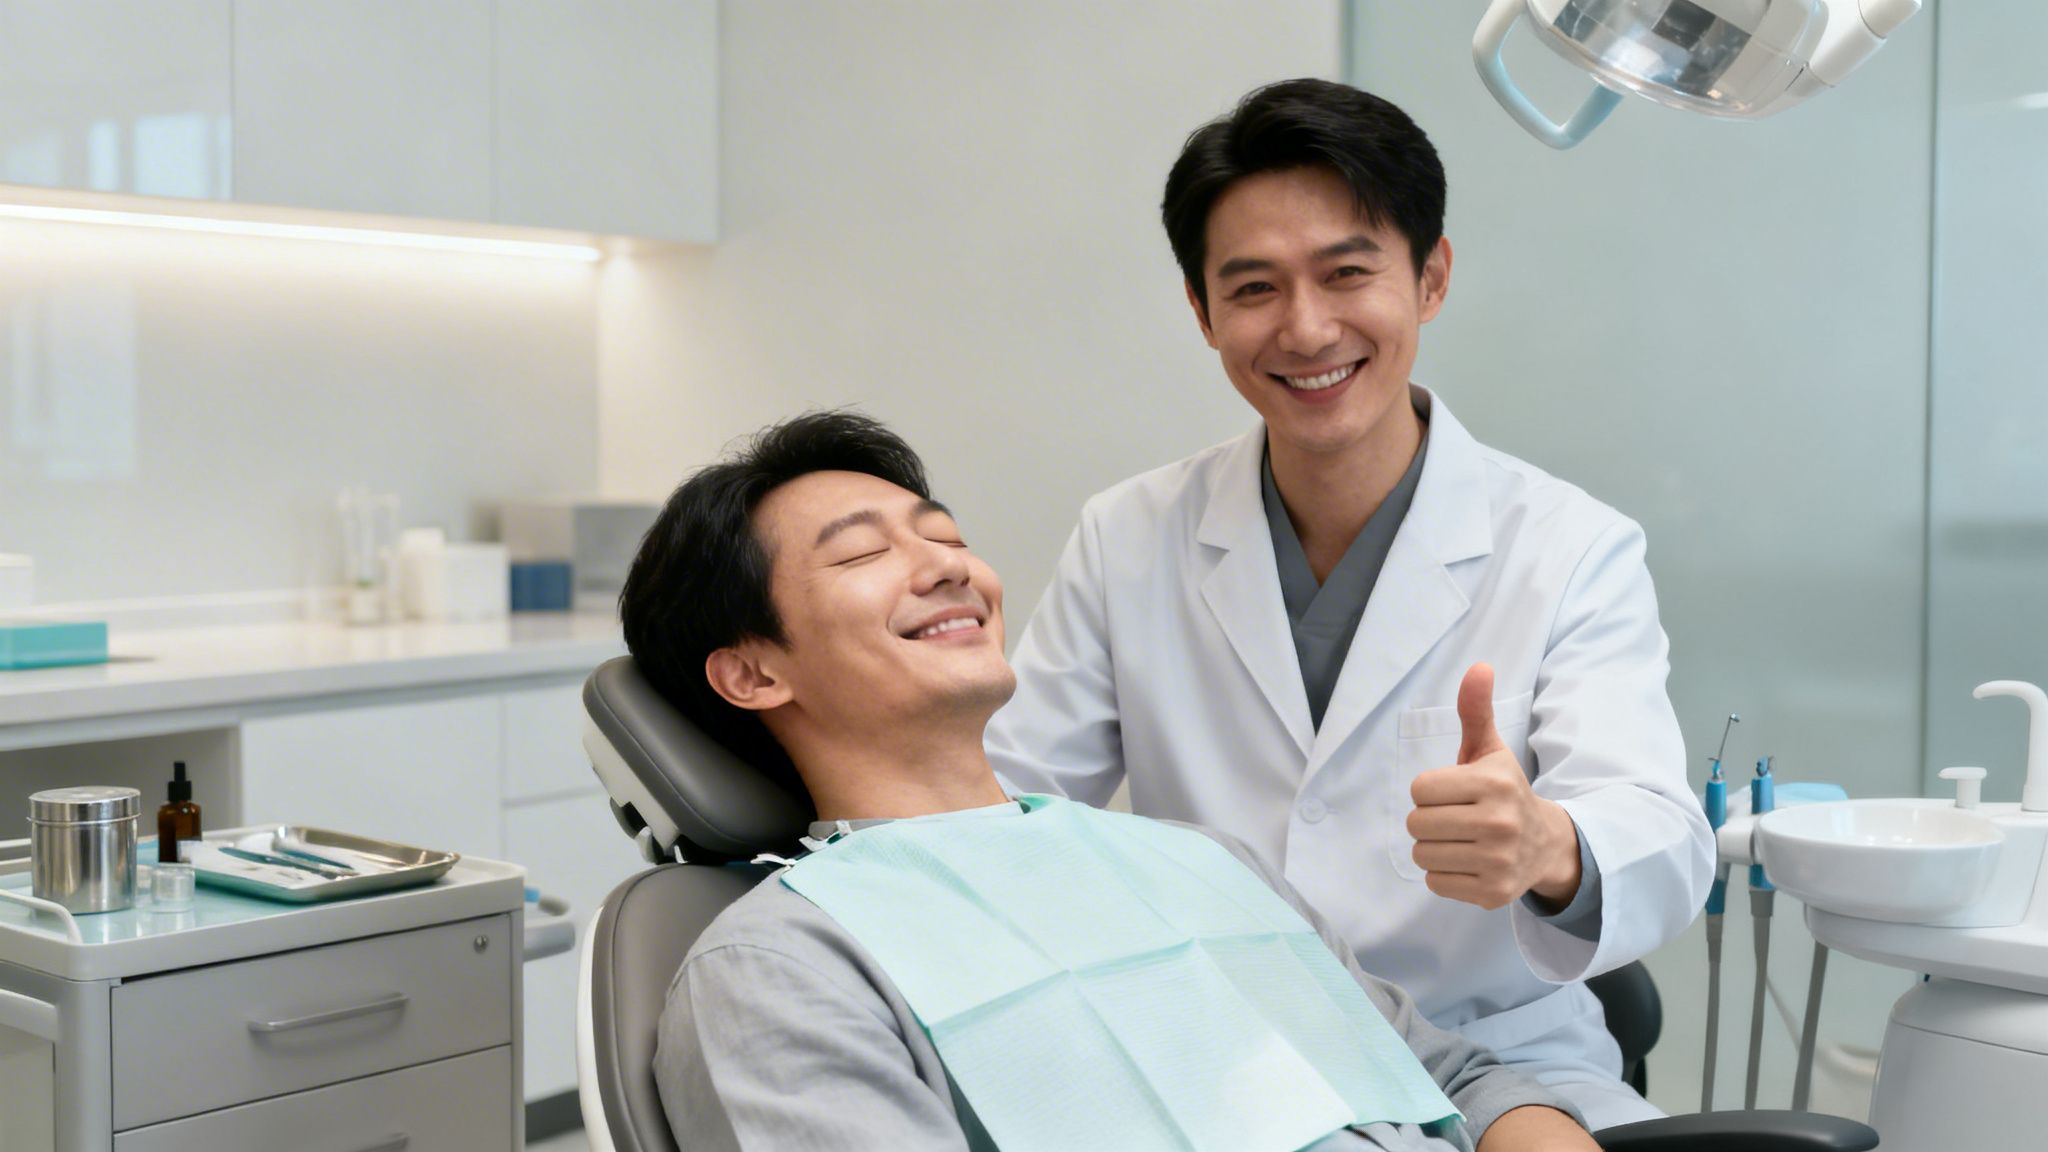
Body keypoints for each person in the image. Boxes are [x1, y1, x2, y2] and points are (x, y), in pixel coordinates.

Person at [984, 78, 1714, 1129]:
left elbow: (1658, 831)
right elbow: (1007, 800)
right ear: (1201, 312)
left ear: (1430, 279)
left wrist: (1546, 844)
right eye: (1252, 290)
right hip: (1227, 1065)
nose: (1306, 328)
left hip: (1506, 1062)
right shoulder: (1128, 536)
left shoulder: (1567, 545)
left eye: (1345, 274)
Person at [619, 411, 1597, 1151]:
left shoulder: (1199, 864)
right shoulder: (781, 969)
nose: (945, 567)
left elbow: (1456, 1079)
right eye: (867, 554)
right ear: (753, 672)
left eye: (944, 535)